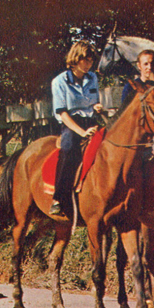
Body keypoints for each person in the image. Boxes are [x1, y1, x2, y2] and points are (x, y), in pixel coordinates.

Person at [50, 40, 105, 217]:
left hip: (91, 120)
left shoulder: (93, 78)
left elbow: (93, 101)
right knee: (68, 149)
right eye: (85, 60)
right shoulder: (59, 81)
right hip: (71, 124)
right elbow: (62, 113)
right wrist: (82, 132)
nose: (89, 64)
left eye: (91, 60)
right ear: (75, 59)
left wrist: (96, 106)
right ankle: (58, 198)